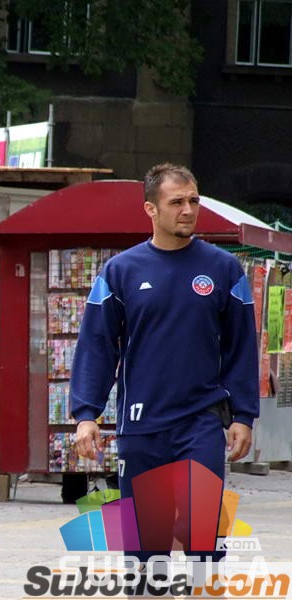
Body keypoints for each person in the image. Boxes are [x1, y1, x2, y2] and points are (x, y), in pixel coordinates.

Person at [71, 163, 259, 566]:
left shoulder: (224, 269)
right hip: (141, 427)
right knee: (146, 548)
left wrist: (243, 415)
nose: (188, 210)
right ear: (151, 209)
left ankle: (202, 586)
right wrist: (86, 415)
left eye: (193, 200)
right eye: (176, 202)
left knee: (202, 537)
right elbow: (97, 346)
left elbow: (242, 346)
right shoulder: (120, 271)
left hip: (201, 422)